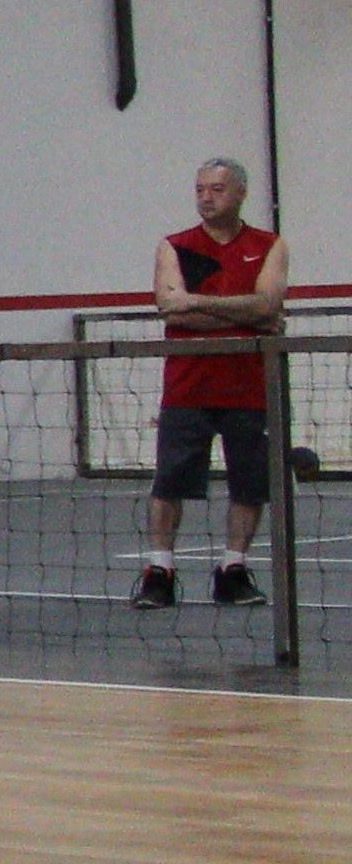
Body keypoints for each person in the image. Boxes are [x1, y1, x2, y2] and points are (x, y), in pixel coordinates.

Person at [142, 155, 290, 609]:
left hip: (249, 386)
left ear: (240, 193)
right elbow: (169, 306)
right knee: (170, 481)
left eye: (217, 189)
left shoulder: (269, 245)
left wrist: (197, 304)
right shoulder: (175, 246)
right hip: (188, 385)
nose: (207, 197)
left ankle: (232, 568)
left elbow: (268, 304)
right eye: (201, 189)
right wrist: (242, 314)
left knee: (250, 483)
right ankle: (160, 569)